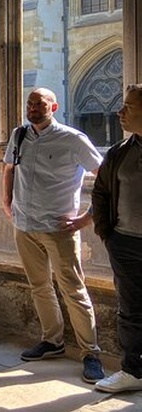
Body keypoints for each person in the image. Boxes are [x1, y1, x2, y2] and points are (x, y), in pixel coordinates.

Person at [3, 87, 104, 384]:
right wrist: (6, 202)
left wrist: (86, 218)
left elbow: (105, 177)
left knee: (73, 289)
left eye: (40, 103)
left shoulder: (72, 139)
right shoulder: (19, 134)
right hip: (25, 224)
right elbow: (9, 167)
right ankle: (53, 341)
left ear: (54, 106)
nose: (33, 108)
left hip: (59, 227)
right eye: (30, 103)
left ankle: (91, 353)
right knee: (39, 286)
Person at [91, 84, 142, 393]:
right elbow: (100, 193)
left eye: (128, 107)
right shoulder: (118, 152)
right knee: (131, 310)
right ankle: (133, 371)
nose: (120, 112)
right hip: (125, 243)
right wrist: (106, 233)